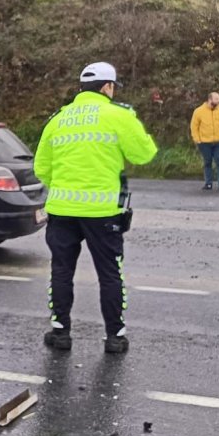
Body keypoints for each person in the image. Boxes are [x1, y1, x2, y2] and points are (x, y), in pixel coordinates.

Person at [34, 62, 157, 354]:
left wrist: (63, 185)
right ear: (107, 87)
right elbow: (145, 154)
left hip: (62, 210)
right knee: (109, 273)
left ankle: (61, 332)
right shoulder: (118, 115)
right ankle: (115, 336)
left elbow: (41, 167)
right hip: (103, 213)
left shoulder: (58, 119)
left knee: (61, 271)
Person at [190, 91, 219, 191]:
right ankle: (208, 183)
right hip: (204, 142)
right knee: (207, 162)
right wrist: (197, 139)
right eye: (216, 99)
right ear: (210, 99)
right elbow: (194, 126)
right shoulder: (199, 111)